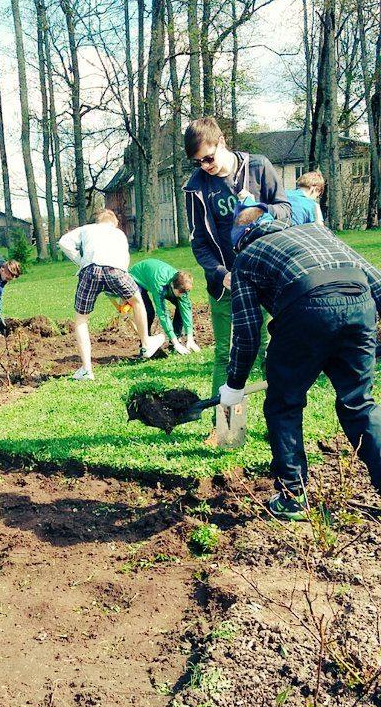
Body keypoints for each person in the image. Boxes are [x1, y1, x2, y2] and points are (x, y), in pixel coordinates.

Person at [218, 212, 381, 520]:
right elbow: (377, 283)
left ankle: (292, 497)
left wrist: (234, 385)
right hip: (360, 304)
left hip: (304, 308)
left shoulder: (247, 258)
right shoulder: (319, 232)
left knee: (284, 404)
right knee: (359, 404)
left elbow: (248, 330)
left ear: (241, 242)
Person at [183, 117, 291, 409]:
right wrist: (221, 273)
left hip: (265, 276)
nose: (206, 166)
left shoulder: (258, 167)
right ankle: (224, 422)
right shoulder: (196, 187)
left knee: (268, 349)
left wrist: (259, 209)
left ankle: (279, 416)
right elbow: (199, 242)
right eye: (198, 162)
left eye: (208, 158)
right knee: (224, 352)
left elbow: (285, 211)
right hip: (225, 282)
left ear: (221, 142)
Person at [58, 208, 165, 380]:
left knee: (81, 319)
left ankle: (87, 370)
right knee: (138, 301)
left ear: (98, 221)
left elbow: (63, 242)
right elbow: (124, 262)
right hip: (116, 271)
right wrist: (122, 289)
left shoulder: (87, 229)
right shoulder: (119, 234)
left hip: (89, 271)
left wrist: (80, 261)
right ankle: (146, 343)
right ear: (114, 222)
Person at [128, 258, 200, 356]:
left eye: (185, 293)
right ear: (172, 285)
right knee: (148, 312)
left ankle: (175, 341)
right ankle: (145, 345)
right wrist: (176, 343)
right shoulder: (160, 286)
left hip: (155, 277)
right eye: (180, 293)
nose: (183, 295)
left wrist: (190, 338)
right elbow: (163, 314)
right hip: (137, 278)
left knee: (181, 306)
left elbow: (186, 309)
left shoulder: (182, 286)